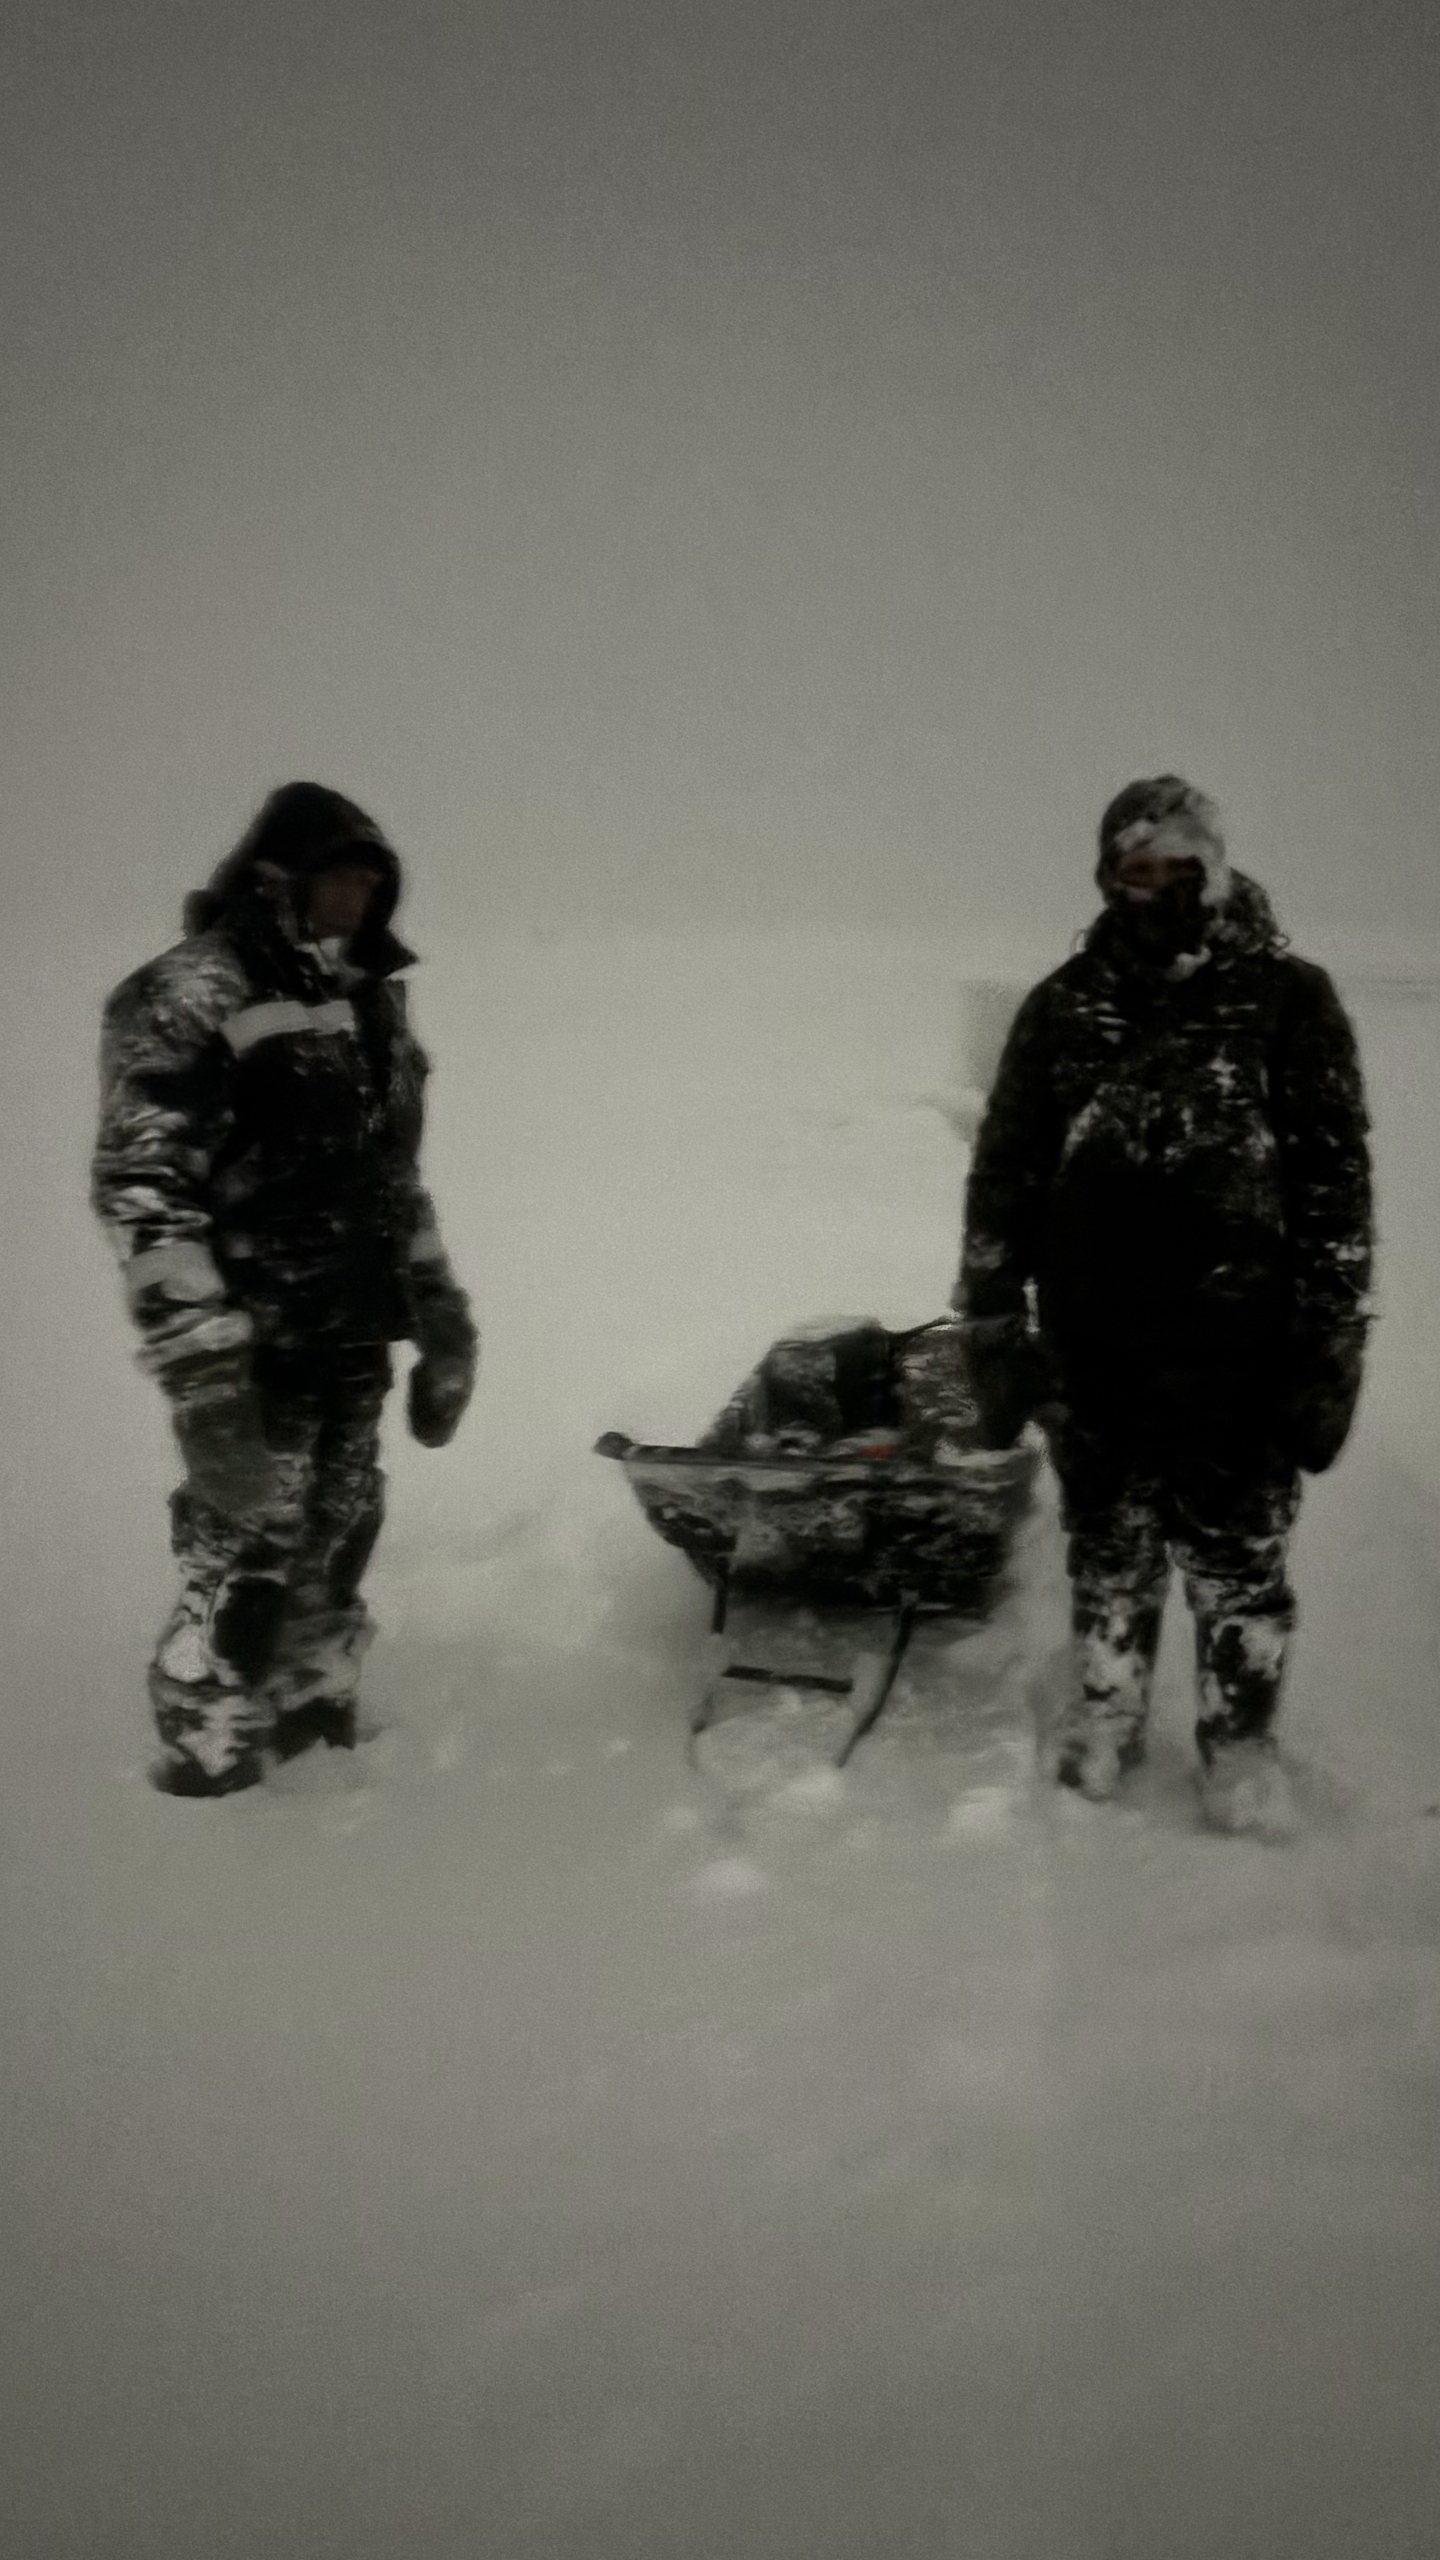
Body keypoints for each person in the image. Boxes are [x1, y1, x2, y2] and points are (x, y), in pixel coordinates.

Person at [952, 775, 1373, 1833]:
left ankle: (1240, 1748)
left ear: (1211, 868)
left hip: (1242, 1344)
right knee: (1111, 1545)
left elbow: (1334, 1180)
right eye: (1132, 869)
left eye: (1174, 867)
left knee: (1237, 1559)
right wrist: (994, 1316)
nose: (1153, 887)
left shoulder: (1287, 999)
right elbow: (1004, 1170)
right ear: (1108, 875)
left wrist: (1331, 1331)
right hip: (1096, 1345)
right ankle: (1106, 1715)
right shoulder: (1063, 1004)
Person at [92, 781, 477, 1796]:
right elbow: (144, 1186)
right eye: (336, 874)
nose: (354, 895)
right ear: (278, 877)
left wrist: (442, 1318)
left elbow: (394, 1176)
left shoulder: (369, 997)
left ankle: (308, 1700)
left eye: (368, 878)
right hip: (250, 1339)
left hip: (352, 1328)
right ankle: (206, 1744)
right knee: (247, 1554)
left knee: (340, 1529)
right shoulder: (192, 991)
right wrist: (202, 1369)